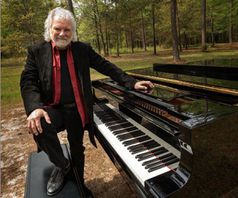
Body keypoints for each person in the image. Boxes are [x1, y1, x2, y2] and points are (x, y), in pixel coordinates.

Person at [20, 7, 154, 197]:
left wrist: (131, 82)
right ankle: (63, 166)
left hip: (77, 109)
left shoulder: (82, 49)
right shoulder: (37, 51)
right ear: (49, 29)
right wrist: (34, 108)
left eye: (67, 30)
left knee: (77, 149)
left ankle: (79, 187)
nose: (62, 33)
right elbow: (28, 81)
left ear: (72, 32)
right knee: (38, 123)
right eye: (58, 28)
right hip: (52, 109)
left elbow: (105, 65)